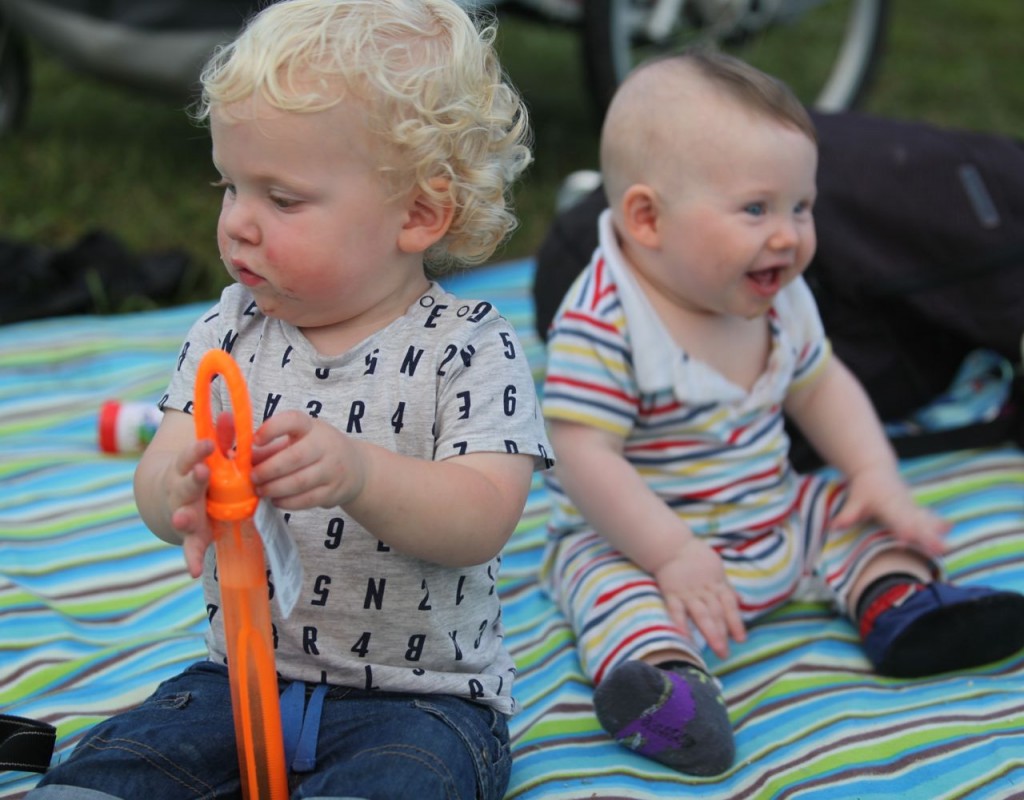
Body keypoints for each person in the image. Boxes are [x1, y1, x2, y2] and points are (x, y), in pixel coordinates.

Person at [28, 1, 550, 798]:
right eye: (229, 185)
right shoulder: (226, 334)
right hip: (237, 673)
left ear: (418, 214)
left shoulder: (471, 348)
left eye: (282, 199)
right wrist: (178, 490)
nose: (236, 223)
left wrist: (361, 477)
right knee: (120, 765)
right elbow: (164, 465)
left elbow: (482, 517)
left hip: (419, 705)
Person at [540, 48, 1024, 777]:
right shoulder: (606, 320)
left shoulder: (777, 296)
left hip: (769, 506)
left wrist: (874, 473)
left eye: (802, 206)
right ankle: (667, 692)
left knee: (850, 514)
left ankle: (898, 603)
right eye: (758, 209)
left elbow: (822, 386)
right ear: (647, 218)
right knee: (611, 593)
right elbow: (583, 456)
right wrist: (671, 553)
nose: (790, 235)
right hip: (638, 532)